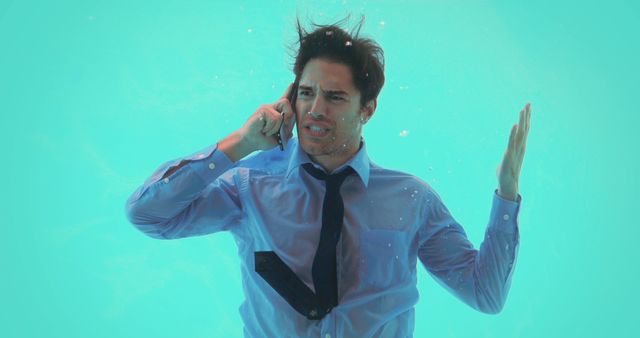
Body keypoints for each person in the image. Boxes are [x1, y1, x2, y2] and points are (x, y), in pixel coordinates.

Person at [125, 15, 530, 338]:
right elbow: (149, 216)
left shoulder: (411, 199)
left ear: (367, 110)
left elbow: (485, 294)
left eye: (335, 97)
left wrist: (507, 197)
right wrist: (240, 144)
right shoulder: (250, 186)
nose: (316, 109)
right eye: (306, 93)